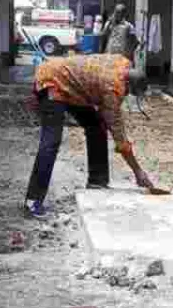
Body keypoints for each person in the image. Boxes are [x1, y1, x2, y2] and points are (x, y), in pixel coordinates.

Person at [23, 54, 159, 218]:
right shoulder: (112, 88)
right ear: (127, 83)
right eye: (129, 91)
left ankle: (97, 182)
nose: (127, 94)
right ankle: (33, 200)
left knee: (97, 126)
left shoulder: (123, 62)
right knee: (51, 141)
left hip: (72, 87)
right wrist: (138, 171)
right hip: (52, 82)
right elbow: (119, 136)